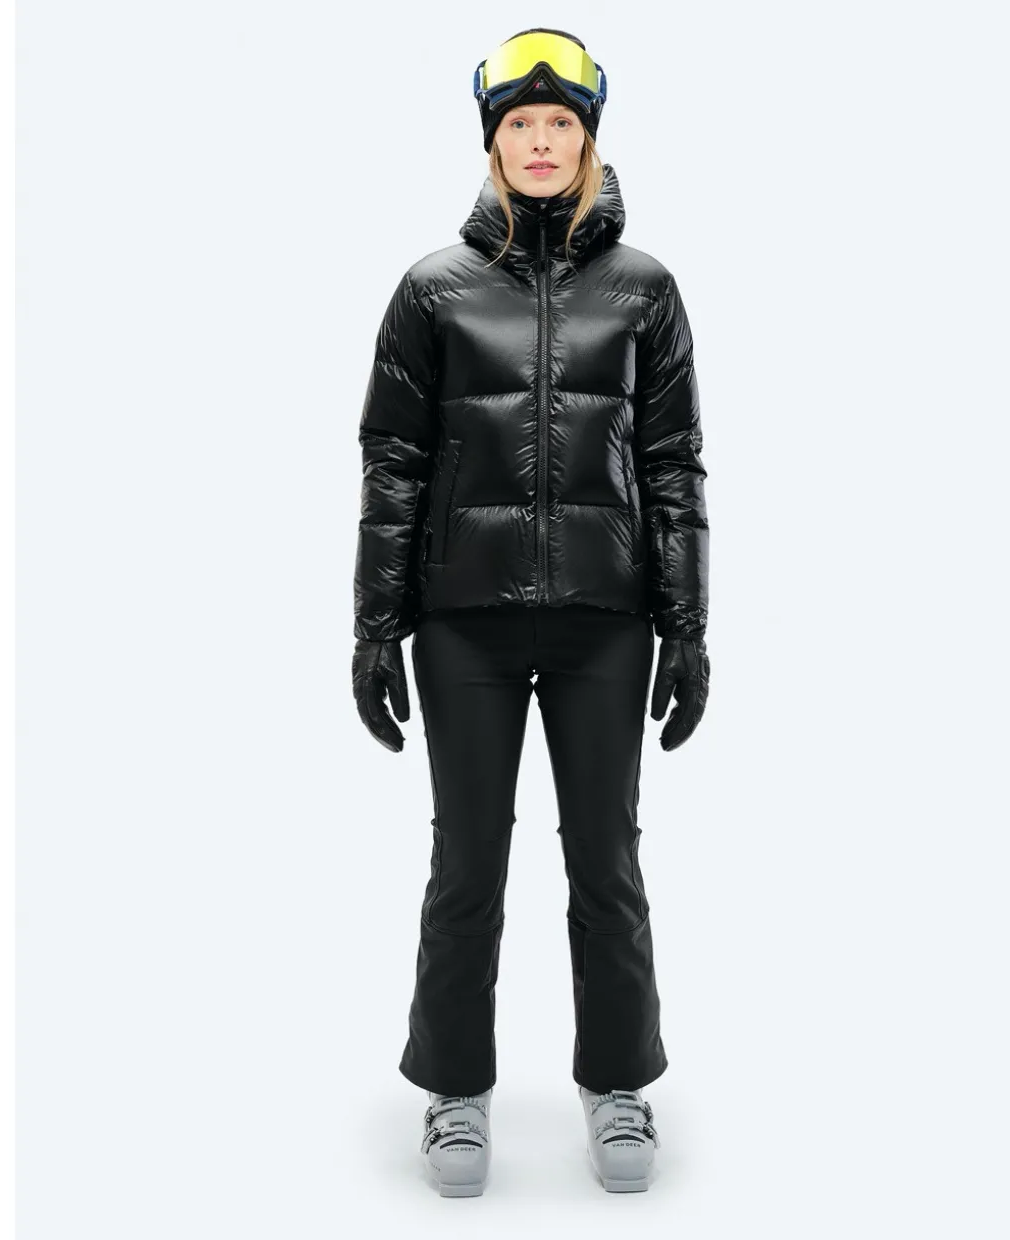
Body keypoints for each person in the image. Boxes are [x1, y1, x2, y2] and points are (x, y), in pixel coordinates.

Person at [351, 28, 710, 1196]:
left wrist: (687, 625)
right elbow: (394, 463)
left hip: (607, 619)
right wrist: (374, 626)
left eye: (561, 124)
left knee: (607, 859)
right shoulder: (433, 290)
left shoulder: (645, 290)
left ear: (588, 138)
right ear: (493, 141)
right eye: (521, 125)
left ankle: (619, 1082)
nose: (542, 142)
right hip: (465, 621)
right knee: (467, 861)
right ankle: (454, 1091)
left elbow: (672, 465)